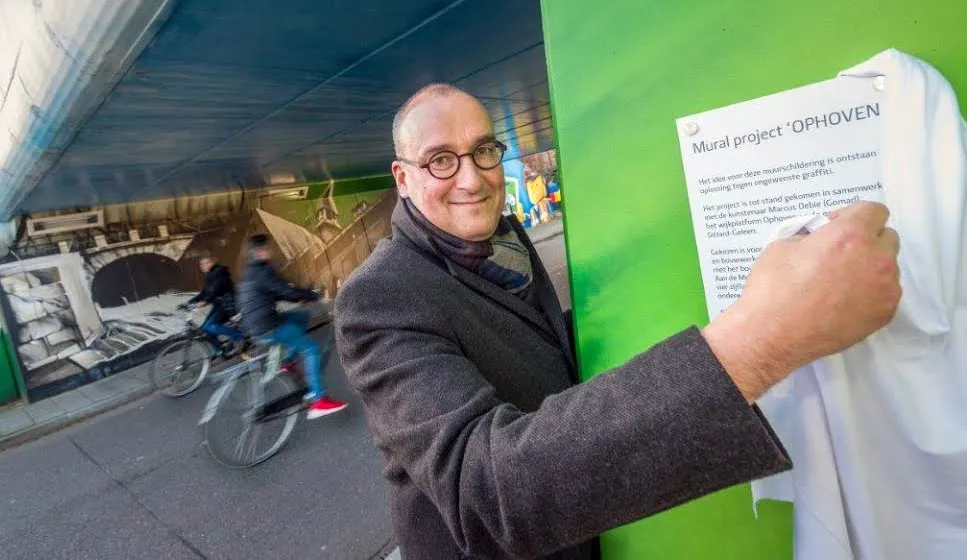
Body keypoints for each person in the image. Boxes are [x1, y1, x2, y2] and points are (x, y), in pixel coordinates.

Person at [334, 84, 901, 559]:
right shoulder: (378, 299)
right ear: (402, 178)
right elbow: (485, 492)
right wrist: (758, 341)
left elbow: (533, 350)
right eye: (440, 160)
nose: (472, 179)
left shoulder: (504, 240)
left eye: (484, 150)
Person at [237, 234, 348, 420]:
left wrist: (302, 293)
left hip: (257, 324)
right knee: (312, 349)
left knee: (301, 316)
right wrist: (311, 295)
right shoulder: (261, 272)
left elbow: (280, 289)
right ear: (257, 253)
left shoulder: (251, 271)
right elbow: (285, 292)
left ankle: (288, 360)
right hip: (268, 327)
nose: (269, 251)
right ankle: (319, 401)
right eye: (265, 249)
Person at [183, 256, 245, 358]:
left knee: (210, 327)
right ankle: (219, 350)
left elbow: (215, 290)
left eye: (206, 263)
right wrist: (189, 302)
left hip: (228, 305)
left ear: (212, 263)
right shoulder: (210, 276)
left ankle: (238, 336)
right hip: (219, 304)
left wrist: (205, 301)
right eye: (202, 264)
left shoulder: (219, 273)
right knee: (204, 329)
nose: (203, 266)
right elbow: (204, 292)